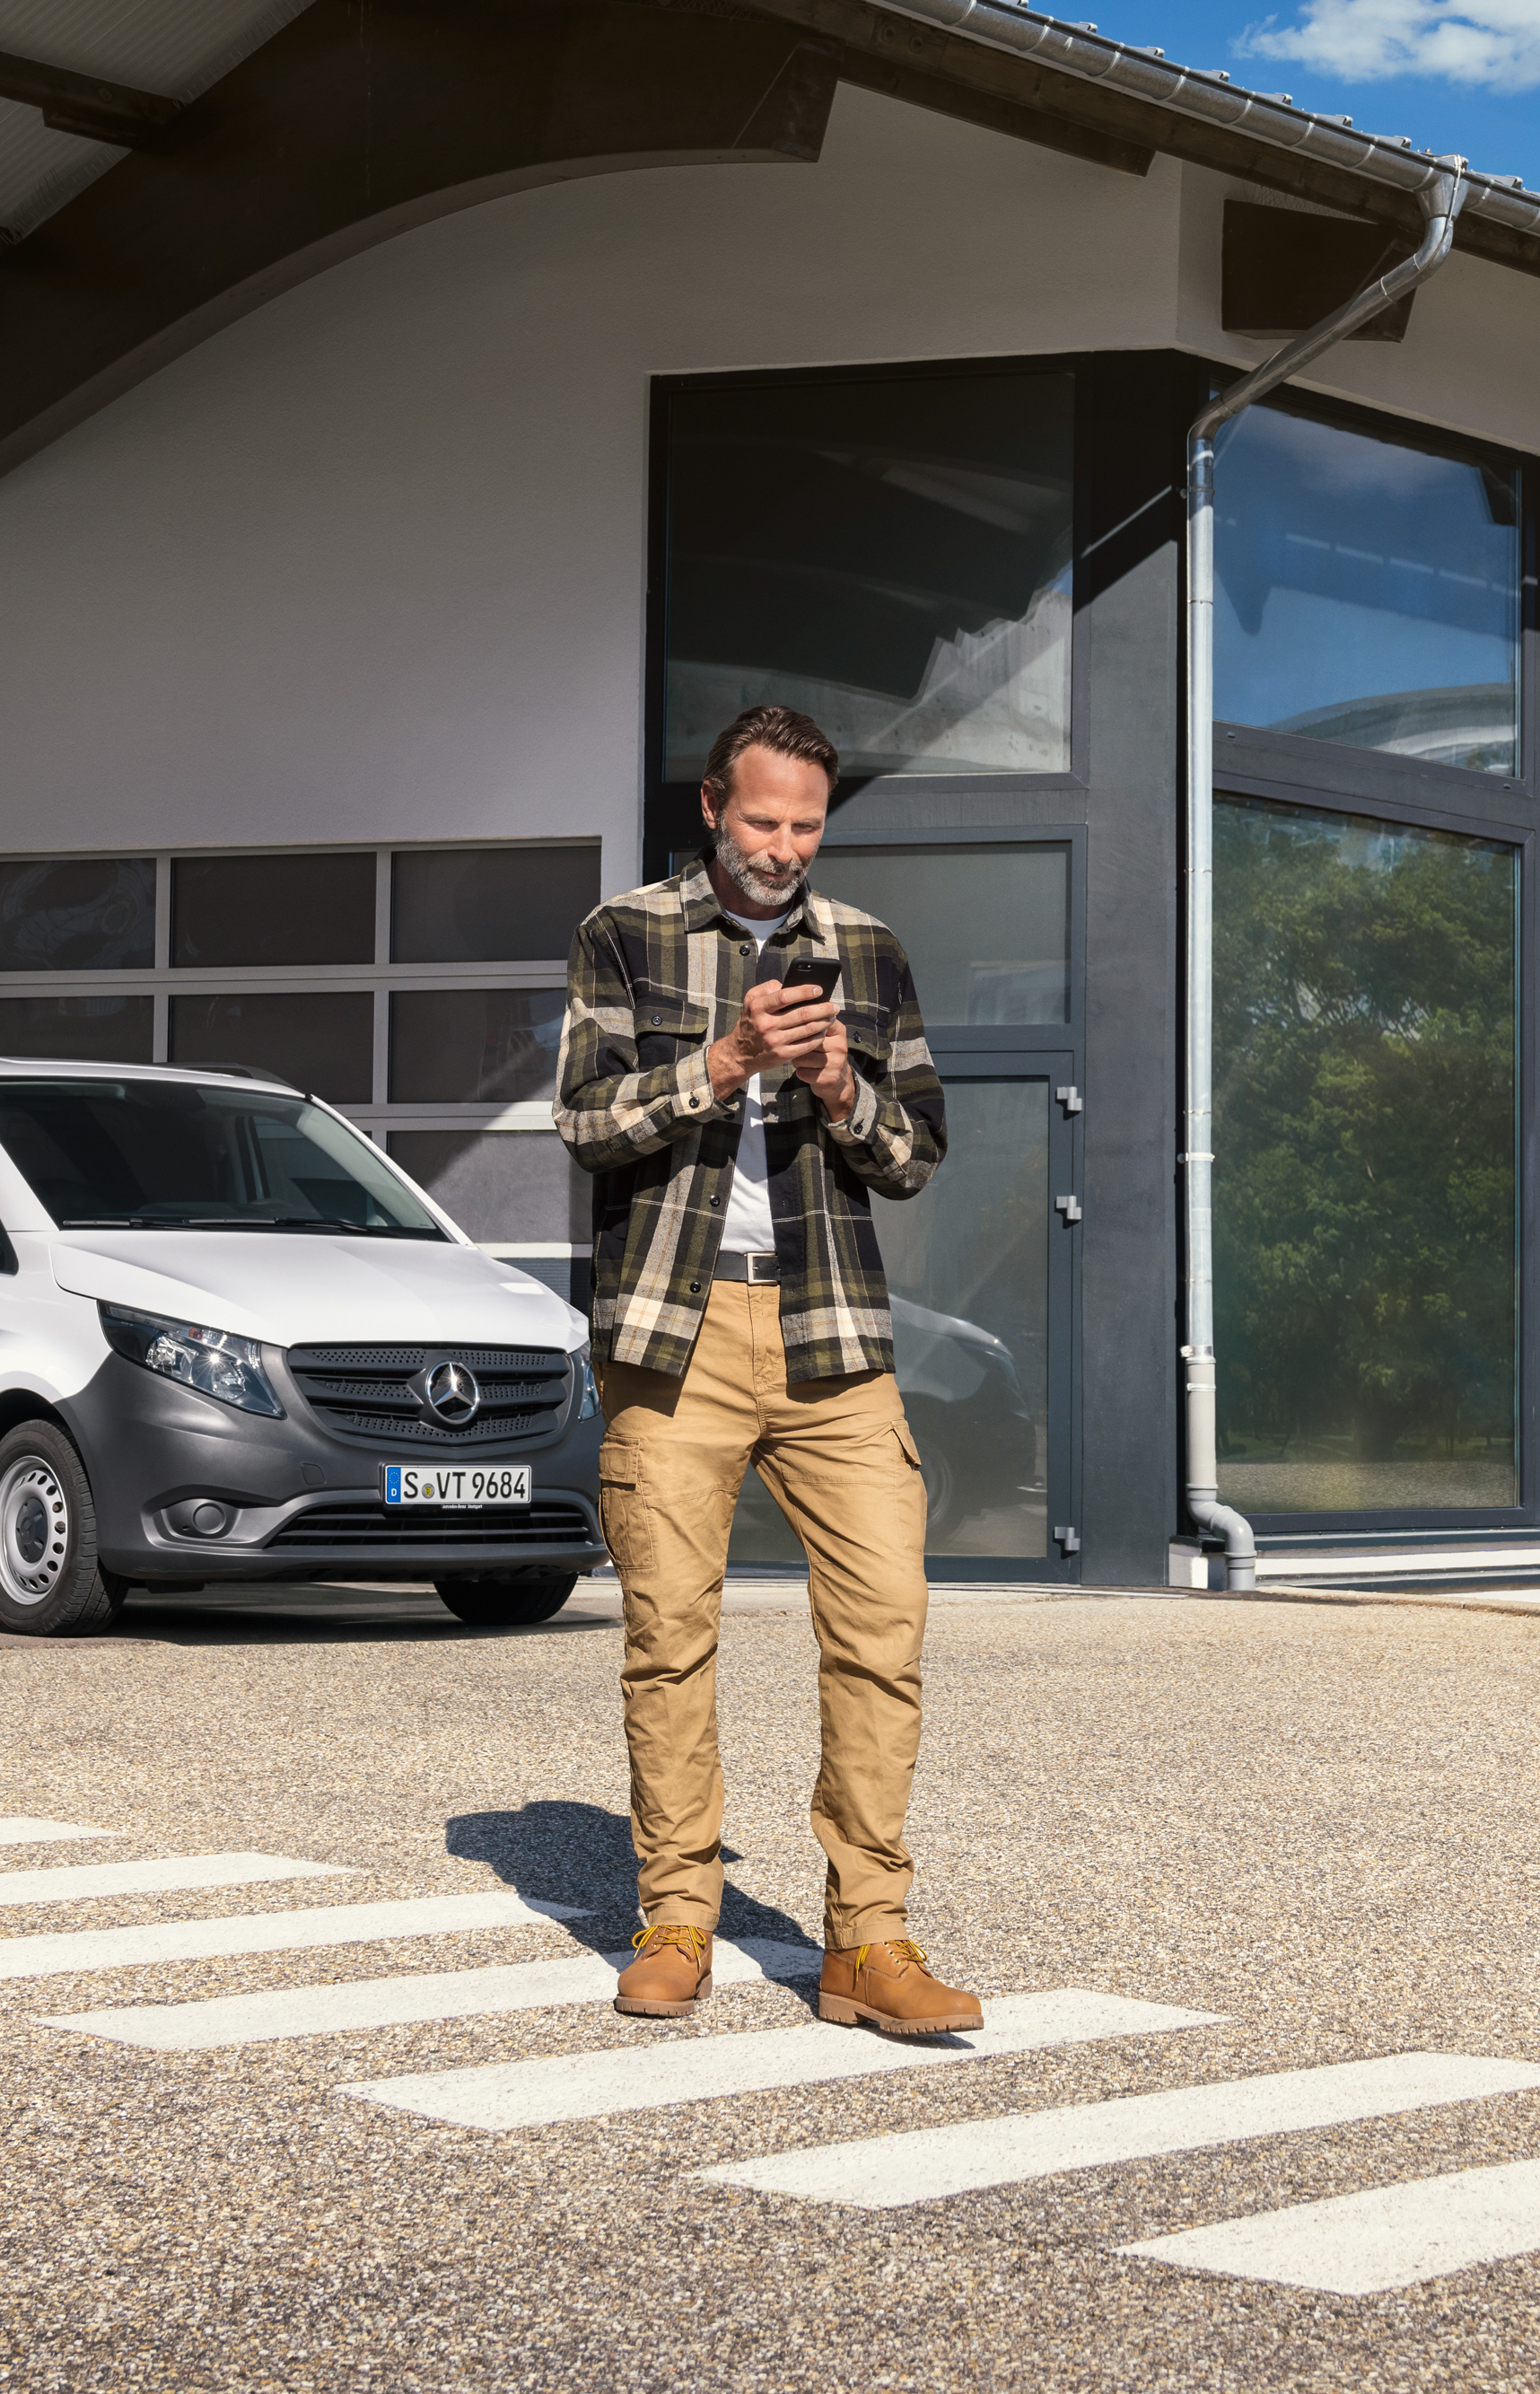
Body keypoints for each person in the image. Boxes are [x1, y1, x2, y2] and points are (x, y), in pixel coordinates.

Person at [554, 703, 975, 2035]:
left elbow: (916, 1154)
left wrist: (845, 1090)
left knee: (883, 1629)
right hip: (673, 1331)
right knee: (670, 1639)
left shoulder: (868, 951)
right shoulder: (625, 935)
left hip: (828, 1328)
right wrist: (727, 1060)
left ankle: (868, 1944)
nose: (784, 846)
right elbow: (584, 1123)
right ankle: (678, 1918)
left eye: (806, 824)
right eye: (762, 820)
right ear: (711, 807)